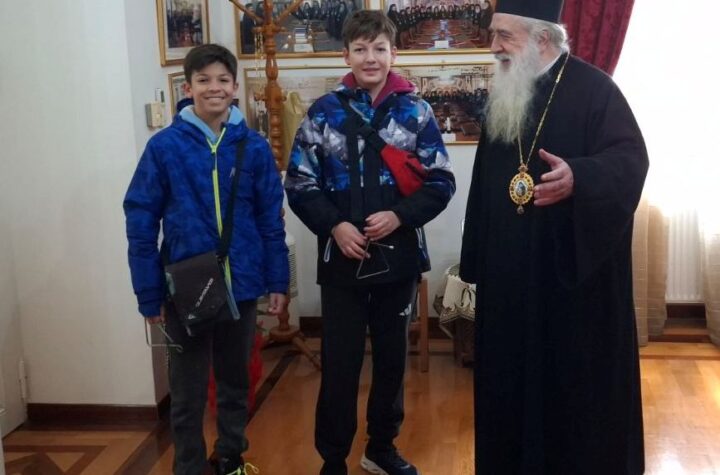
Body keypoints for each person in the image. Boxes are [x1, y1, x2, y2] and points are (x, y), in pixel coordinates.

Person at [459, 1, 648, 474]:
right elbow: (484, 182)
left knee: (570, 398)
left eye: (504, 35)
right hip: (509, 285)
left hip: (570, 284)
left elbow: (630, 161)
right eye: (494, 34)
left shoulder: (596, 91)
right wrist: (476, 260)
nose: (494, 46)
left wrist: (580, 177)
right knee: (509, 387)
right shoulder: (506, 92)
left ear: (542, 38)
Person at [284, 10, 455, 475]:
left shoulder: (416, 112)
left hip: (398, 258)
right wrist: (334, 227)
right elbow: (299, 183)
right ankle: (333, 458)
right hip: (341, 259)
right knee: (339, 364)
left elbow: (441, 181)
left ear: (393, 53)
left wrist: (399, 215)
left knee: (392, 361)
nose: (370, 57)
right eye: (360, 49)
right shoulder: (323, 113)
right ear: (346, 55)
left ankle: (381, 447)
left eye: (379, 48)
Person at [124, 43, 289, 475]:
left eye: (222, 80)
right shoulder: (164, 147)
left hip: (243, 285)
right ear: (188, 87)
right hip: (185, 288)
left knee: (236, 382)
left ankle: (231, 458)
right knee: (187, 390)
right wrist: (148, 293)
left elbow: (271, 219)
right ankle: (189, 467)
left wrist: (277, 281)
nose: (213, 88)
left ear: (234, 87)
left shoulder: (253, 147)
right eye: (203, 80)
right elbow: (141, 221)